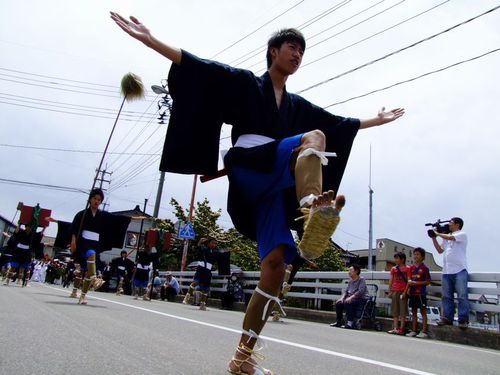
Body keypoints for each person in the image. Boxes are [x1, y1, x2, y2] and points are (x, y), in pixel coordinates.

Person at [110, 12, 404, 374]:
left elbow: (337, 121)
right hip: (250, 165)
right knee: (315, 139)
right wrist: (150, 40)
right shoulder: (248, 84)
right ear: (273, 51)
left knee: (275, 268)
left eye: (302, 52)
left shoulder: (295, 105)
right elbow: (203, 69)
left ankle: (242, 357)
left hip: (271, 187)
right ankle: (312, 208)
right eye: (292, 48)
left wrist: (376, 120)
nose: (297, 55)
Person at [68, 189, 108, 304]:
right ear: (90, 199)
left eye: (99, 200)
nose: (96, 201)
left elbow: (116, 220)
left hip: (95, 243)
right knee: (91, 254)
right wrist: (73, 242)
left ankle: (83, 297)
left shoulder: (102, 215)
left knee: (87, 271)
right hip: (83, 243)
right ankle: (94, 279)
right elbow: (74, 229)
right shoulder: (82, 214)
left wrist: (136, 218)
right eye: (95, 198)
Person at [430, 217, 470, 329]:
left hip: (460, 270)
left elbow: (450, 237)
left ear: (457, 224)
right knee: (446, 297)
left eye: (451, 223)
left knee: (462, 296)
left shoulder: (462, 234)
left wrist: (437, 232)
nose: (449, 224)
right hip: (447, 271)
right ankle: (447, 318)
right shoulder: (446, 238)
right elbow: (439, 250)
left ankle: (463, 319)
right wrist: (433, 238)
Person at [182, 237, 221, 311]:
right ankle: (187, 296)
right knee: (195, 282)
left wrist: (233, 250)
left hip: (208, 271)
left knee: (206, 289)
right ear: (209, 243)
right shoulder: (204, 249)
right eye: (213, 243)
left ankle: (202, 304)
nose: (214, 244)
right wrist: (200, 241)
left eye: (215, 243)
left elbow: (223, 253)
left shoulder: (215, 252)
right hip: (201, 269)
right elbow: (198, 247)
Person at [330, 265, 369, 329]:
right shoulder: (350, 281)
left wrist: (351, 297)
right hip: (352, 298)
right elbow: (346, 292)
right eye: (349, 270)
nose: (349, 272)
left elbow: (360, 291)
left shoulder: (361, 279)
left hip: (361, 298)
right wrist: (341, 298)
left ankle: (350, 323)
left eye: (351, 270)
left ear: (356, 271)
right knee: (339, 303)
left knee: (348, 302)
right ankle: (339, 321)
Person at [405, 247, 431, 338]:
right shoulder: (411, 268)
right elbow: (409, 280)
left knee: (423, 312)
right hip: (412, 292)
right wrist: (407, 289)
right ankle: (414, 330)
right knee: (413, 311)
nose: (415, 256)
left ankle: (424, 331)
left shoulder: (425, 268)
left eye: (418, 254)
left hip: (421, 292)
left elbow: (428, 281)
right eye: (414, 254)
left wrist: (416, 283)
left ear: (422, 257)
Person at [387, 252, 410, 335]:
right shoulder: (393, 268)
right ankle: (395, 328)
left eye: (397, 258)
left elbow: (409, 281)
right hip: (395, 290)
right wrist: (390, 291)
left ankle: (401, 328)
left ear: (402, 259)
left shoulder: (407, 268)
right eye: (395, 258)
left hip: (402, 291)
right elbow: (391, 280)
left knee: (403, 311)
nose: (396, 260)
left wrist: (405, 292)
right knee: (395, 310)